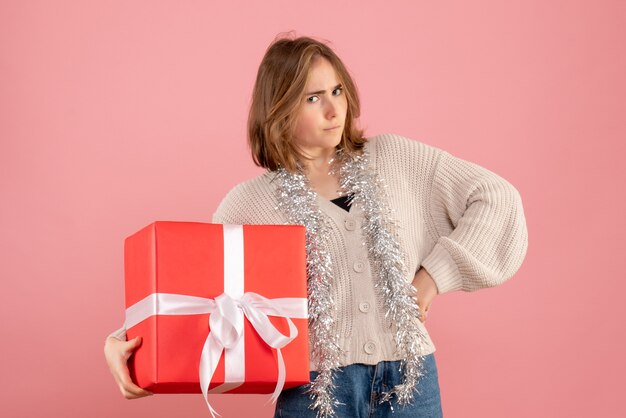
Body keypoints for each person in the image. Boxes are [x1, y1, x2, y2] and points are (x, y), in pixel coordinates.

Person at [104, 34, 528, 417]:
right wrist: (120, 343)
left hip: (410, 382)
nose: (333, 109)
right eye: (312, 98)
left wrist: (434, 277)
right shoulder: (249, 204)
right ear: (279, 110)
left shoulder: (396, 160)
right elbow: (201, 301)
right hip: (315, 394)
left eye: (337, 91)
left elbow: (496, 199)